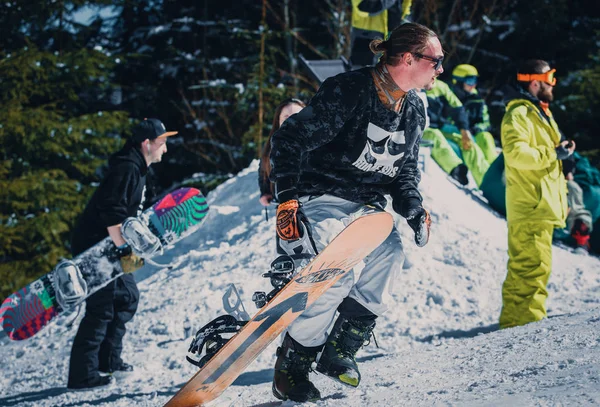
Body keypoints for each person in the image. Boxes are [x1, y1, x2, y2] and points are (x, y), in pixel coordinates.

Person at [268, 22, 439, 402]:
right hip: (321, 197)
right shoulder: (350, 91)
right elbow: (289, 139)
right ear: (409, 59)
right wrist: (288, 197)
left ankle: (339, 350)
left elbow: (404, 170)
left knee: (391, 255)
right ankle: (292, 366)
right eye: (436, 61)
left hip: (366, 208)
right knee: (335, 276)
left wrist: (413, 208)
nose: (440, 69)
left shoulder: (413, 110)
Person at [67, 118, 176, 389]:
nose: (165, 149)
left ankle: (108, 361)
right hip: (97, 247)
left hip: (112, 244)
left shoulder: (138, 168)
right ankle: (82, 375)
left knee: (126, 297)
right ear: (146, 144)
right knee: (102, 307)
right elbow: (111, 210)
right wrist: (124, 249)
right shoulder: (127, 168)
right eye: (161, 143)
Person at [499, 60, 574, 329]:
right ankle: (527, 331)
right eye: (549, 80)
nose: (553, 85)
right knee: (532, 272)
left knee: (527, 272)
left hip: (538, 205)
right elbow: (516, 154)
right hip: (531, 205)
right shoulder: (519, 113)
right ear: (534, 82)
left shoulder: (538, 112)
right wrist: (554, 153)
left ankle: (514, 329)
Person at [422, 78, 492, 187]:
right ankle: (456, 169)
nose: (438, 71)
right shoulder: (412, 82)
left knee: (465, 141)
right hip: (421, 129)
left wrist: (464, 130)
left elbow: (457, 108)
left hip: (438, 126)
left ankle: (486, 180)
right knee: (435, 136)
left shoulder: (440, 87)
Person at [258, 98, 306, 206]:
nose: (293, 120)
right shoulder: (272, 147)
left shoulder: (321, 142)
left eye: (297, 115)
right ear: (278, 121)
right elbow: (263, 170)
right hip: (286, 209)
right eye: (286, 117)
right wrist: (265, 192)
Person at [450, 64, 498, 164]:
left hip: (473, 135)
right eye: (470, 81)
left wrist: (476, 129)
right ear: (459, 81)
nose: (473, 85)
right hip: (453, 134)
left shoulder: (477, 101)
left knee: (486, 136)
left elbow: (485, 122)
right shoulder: (448, 96)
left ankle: (493, 167)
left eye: (475, 81)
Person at [350, 0, 412, 67]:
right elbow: (364, 7)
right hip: (367, 31)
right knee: (361, 71)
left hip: (392, 32)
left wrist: (402, 16)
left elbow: (405, 4)